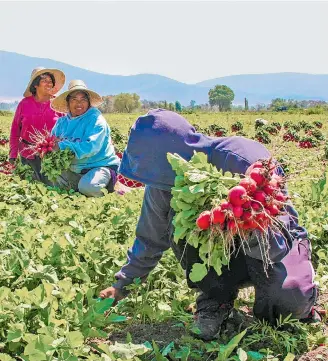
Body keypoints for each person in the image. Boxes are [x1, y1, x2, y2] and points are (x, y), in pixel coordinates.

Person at [99, 109, 318, 341]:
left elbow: (280, 236)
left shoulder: (241, 159)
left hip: (275, 245)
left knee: (289, 304)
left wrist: (248, 224)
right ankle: (216, 298)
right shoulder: (163, 181)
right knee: (182, 223)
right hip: (222, 257)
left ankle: (304, 288)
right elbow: (149, 237)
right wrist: (123, 284)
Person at [50, 80, 120, 197]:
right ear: (68, 102)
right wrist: (47, 150)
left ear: (88, 102)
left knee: (89, 187)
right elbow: (52, 141)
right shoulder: (61, 123)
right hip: (75, 168)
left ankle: (111, 187)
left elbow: (91, 147)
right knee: (50, 177)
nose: (79, 103)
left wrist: (61, 145)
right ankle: (79, 191)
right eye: (74, 99)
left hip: (99, 165)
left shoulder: (96, 120)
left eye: (83, 99)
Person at [9, 67, 65, 182]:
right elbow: (15, 131)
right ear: (35, 85)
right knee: (29, 187)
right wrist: (13, 154)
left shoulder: (58, 104)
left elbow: (66, 130)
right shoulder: (24, 104)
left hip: (52, 156)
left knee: (50, 188)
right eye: (45, 80)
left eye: (51, 81)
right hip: (27, 155)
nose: (49, 84)